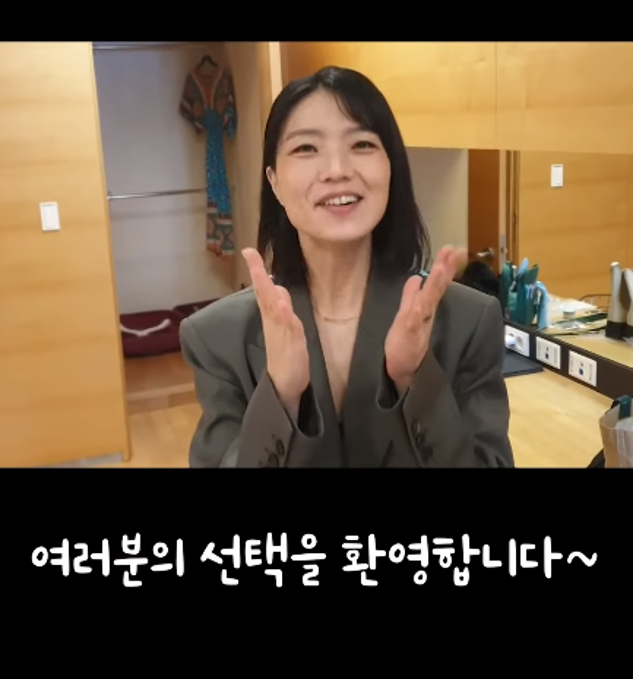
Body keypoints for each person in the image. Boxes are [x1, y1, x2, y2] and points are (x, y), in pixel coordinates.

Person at [182, 66, 514, 468]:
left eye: (362, 144)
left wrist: (415, 380)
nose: (337, 169)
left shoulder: (469, 322)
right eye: (306, 148)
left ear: (391, 168)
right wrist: (280, 396)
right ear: (274, 181)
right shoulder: (217, 337)